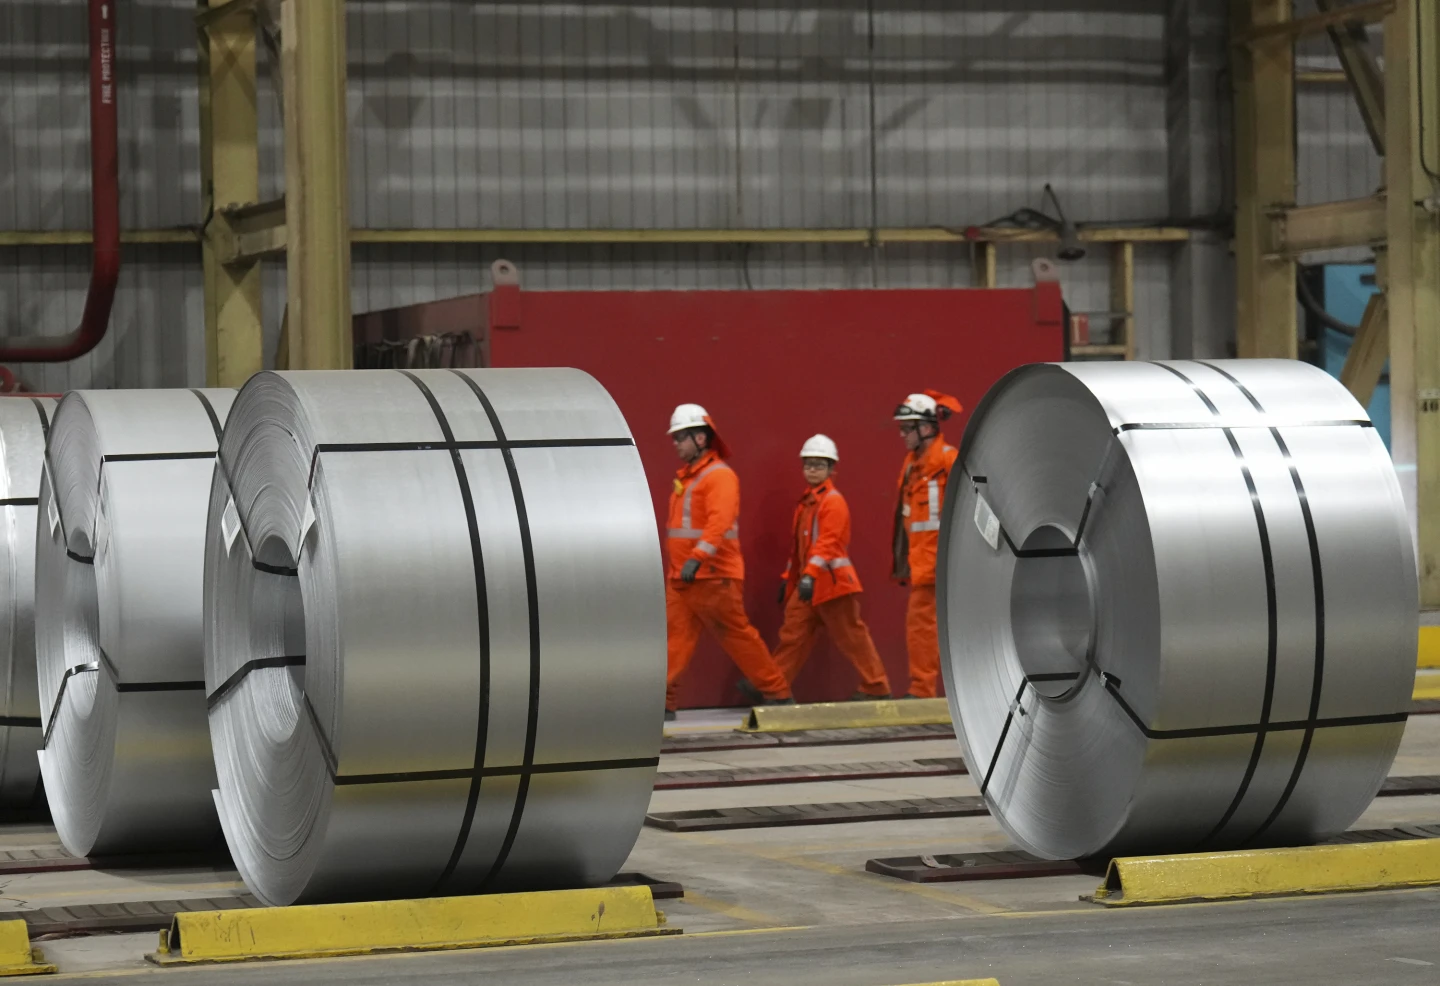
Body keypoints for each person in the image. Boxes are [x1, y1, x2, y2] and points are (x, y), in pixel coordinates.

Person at [664, 403, 793, 722]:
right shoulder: (689, 478)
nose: (676, 444)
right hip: (684, 577)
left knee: (736, 636)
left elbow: (719, 523)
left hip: (712, 576)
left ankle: (778, 693)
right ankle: (663, 703)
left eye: (681, 437)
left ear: (701, 438)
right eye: (676, 437)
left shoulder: (719, 476)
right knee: (673, 640)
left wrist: (697, 557)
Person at [771, 435, 892, 701]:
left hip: (833, 587)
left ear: (830, 468)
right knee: (792, 636)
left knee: (852, 637)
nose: (812, 469)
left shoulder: (832, 502)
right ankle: (774, 689)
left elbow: (828, 543)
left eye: (818, 465)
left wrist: (809, 576)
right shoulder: (806, 503)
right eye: (808, 464)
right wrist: (788, 578)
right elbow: (799, 550)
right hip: (810, 585)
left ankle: (876, 687)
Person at [892, 391, 962, 699]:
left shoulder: (949, 459)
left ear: (928, 426)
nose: (903, 434)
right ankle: (923, 691)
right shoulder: (910, 466)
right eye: (903, 428)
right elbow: (905, 520)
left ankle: (922, 692)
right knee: (921, 630)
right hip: (924, 565)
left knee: (927, 630)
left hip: (947, 563)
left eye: (909, 427)